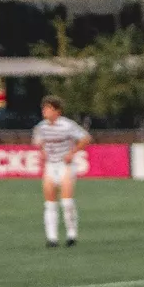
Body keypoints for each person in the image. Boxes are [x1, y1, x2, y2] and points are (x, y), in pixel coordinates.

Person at [32, 96, 91, 247]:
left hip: (65, 165)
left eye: (48, 108)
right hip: (51, 165)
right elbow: (38, 142)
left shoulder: (67, 125)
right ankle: (52, 238)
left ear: (57, 111)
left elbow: (85, 138)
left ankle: (71, 235)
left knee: (66, 202)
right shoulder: (41, 127)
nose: (44, 111)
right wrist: (43, 151)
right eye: (44, 108)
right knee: (50, 203)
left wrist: (72, 152)